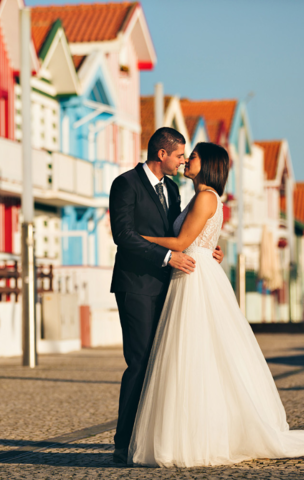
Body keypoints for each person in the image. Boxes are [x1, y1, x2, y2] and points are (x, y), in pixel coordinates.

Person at [128, 142, 304, 467]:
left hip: (193, 276)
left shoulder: (206, 197)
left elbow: (182, 243)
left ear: (206, 163)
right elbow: (198, 239)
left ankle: (194, 438)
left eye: (191, 156)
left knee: (192, 356)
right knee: (196, 356)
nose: (186, 161)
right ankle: (192, 434)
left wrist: (136, 238)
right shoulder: (201, 197)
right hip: (193, 271)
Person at [108, 128, 224, 464]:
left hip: (172, 285)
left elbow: (182, 231)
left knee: (166, 363)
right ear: (162, 154)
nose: (183, 161)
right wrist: (166, 256)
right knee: (140, 362)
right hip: (136, 285)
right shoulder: (125, 184)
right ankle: (124, 441)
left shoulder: (173, 189)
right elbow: (123, 235)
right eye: (179, 156)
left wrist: (206, 249)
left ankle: (156, 437)